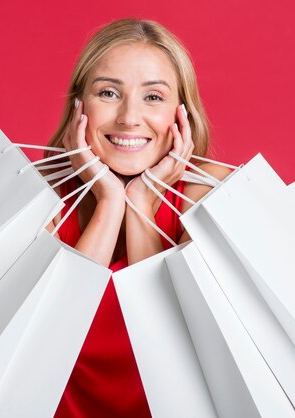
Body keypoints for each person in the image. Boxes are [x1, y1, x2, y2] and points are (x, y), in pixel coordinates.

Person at [43, 18, 231, 417]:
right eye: (109, 93)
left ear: (181, 112)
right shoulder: (40, 194)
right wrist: (110, 200)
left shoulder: (213, 194)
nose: (129, 117)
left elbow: (171, 356)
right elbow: (44, 342)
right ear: (80, 105)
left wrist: (141, 202)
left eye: (153, 97)